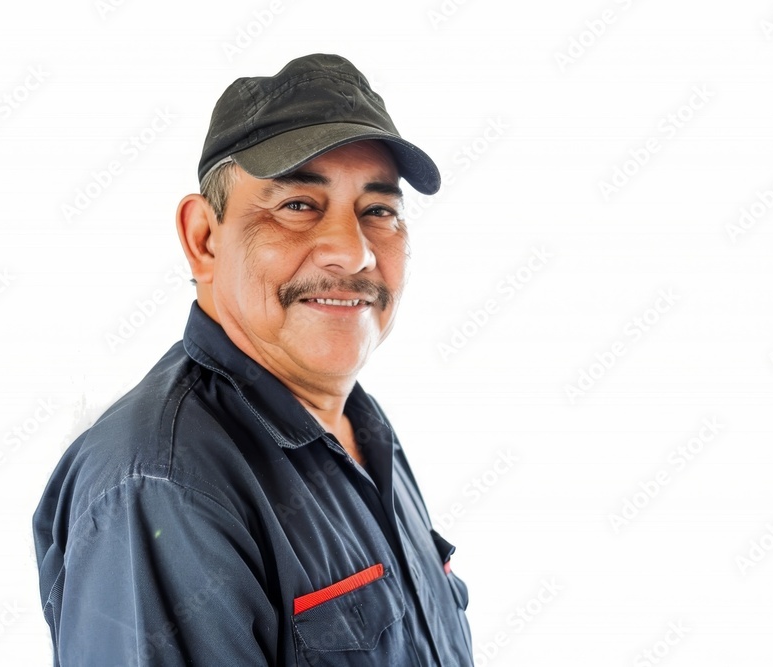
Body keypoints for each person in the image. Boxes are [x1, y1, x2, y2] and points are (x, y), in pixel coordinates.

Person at [32, 53, 473, 666]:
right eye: (297, 206)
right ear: (204, 239)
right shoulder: (165, 482)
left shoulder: (360, 428)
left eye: (378, 211)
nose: (353, 253)